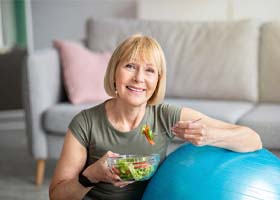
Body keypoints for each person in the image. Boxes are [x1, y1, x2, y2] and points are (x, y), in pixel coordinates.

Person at [49, 34, 262, 200]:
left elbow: (253, 139)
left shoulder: (165, 116)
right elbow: (57, 196)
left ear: (158, 80)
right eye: (130, 66)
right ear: (115, 72)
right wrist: (92, 175)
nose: (139, 78)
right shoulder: (85, 123)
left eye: (149, 70)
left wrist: (209, 136)